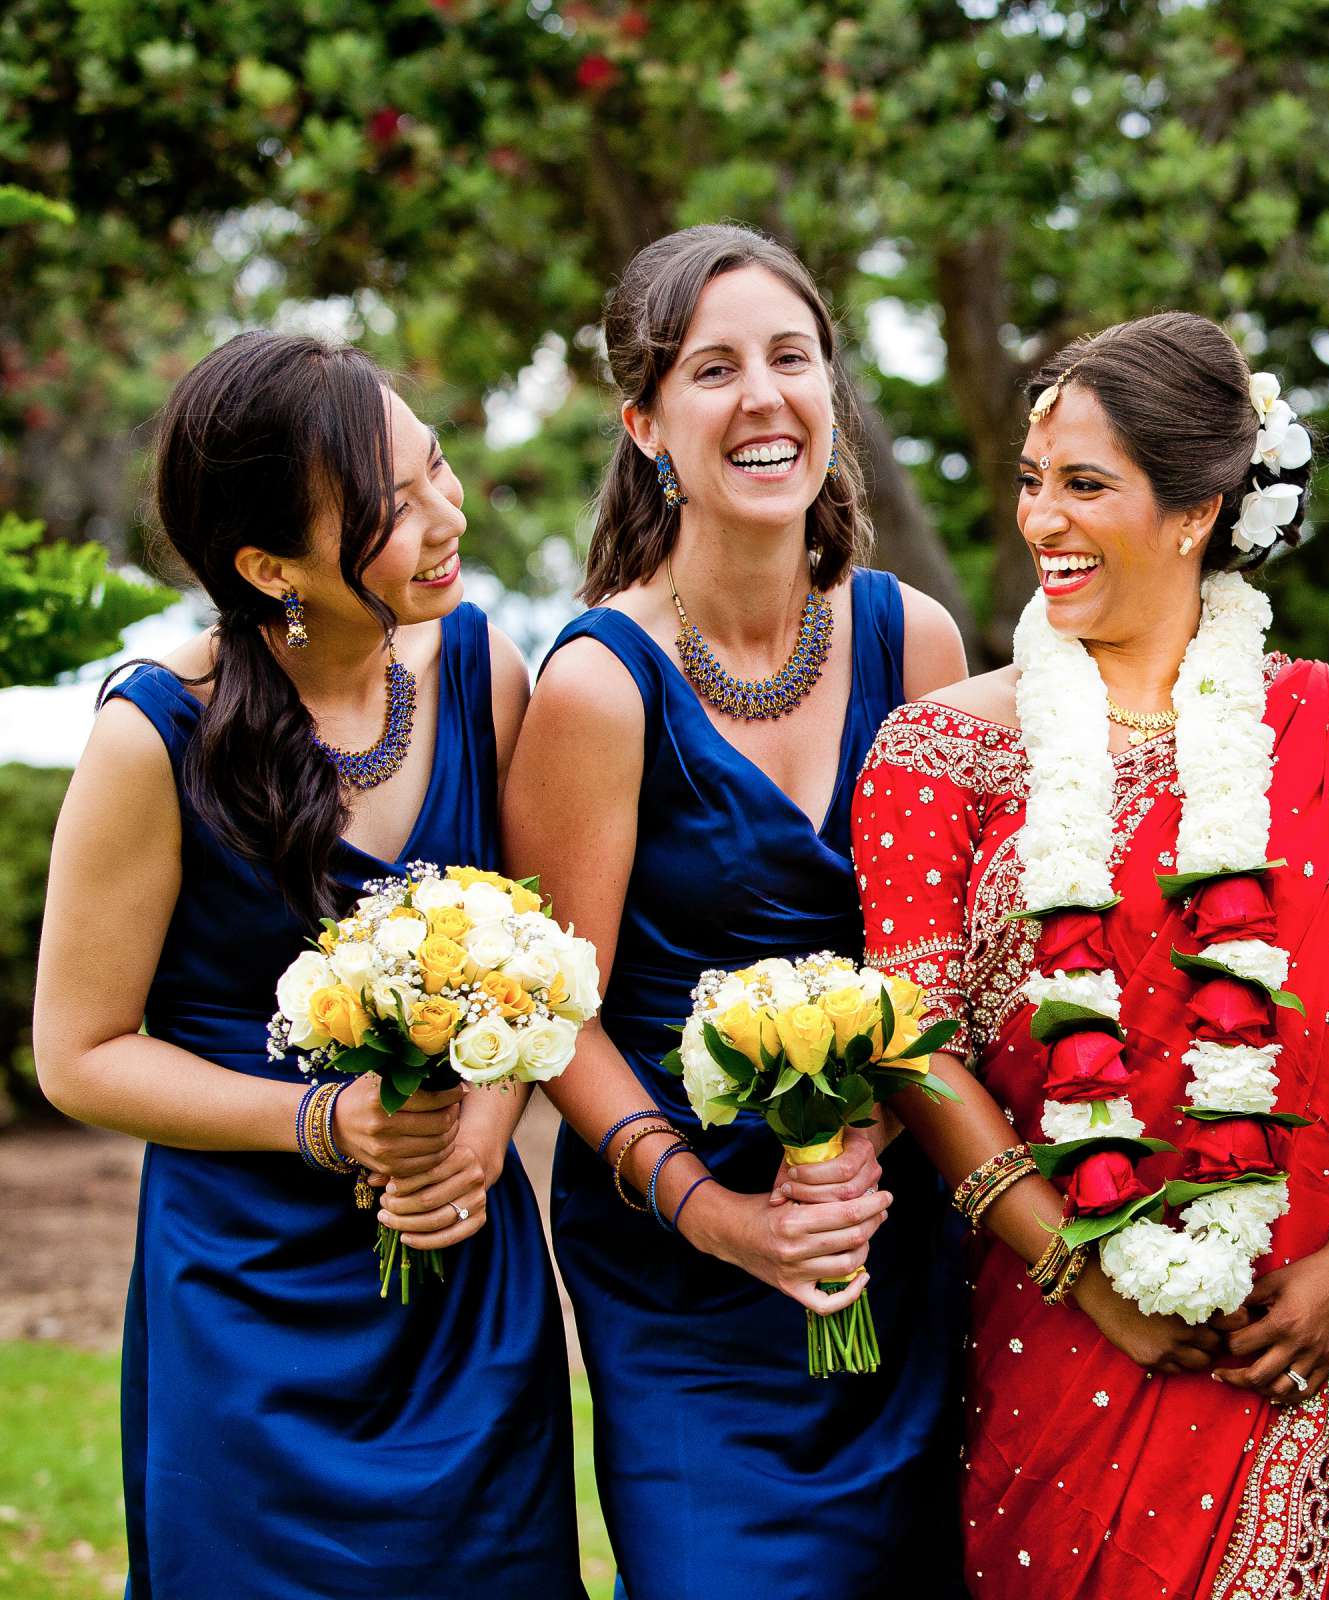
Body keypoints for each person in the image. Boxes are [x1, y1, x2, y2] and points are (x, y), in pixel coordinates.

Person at [852, 312, 1329, 1598]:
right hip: (1060, 1332)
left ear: (1197, 510)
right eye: (1033, 483)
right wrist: (1084, 1279)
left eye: (1087, 486)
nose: (1042, 519)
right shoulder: (936, 753)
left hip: (1309, 1333)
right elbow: (915, 1045)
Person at [31, 331, 579, 1598]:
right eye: (394, 507)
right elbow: (77, 1053)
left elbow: (541, 946)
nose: (446, 514)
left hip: (460, 1283)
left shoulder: (484, 668)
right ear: (272, 565)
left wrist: (486, 1125)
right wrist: (329, 1120)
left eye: (437, 466)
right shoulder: (152, 734)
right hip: (247, 1305)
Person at [502, 222, 969, 1598]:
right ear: (647, 424)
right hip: (686, 1284)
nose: (764, 398)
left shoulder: (917, 640)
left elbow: (944, 956)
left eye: (793, 358)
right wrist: (718, 1214)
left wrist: (874, 1124)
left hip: (888, 1242)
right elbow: (555, 1014)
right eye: (714, 370)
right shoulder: (597, 687)